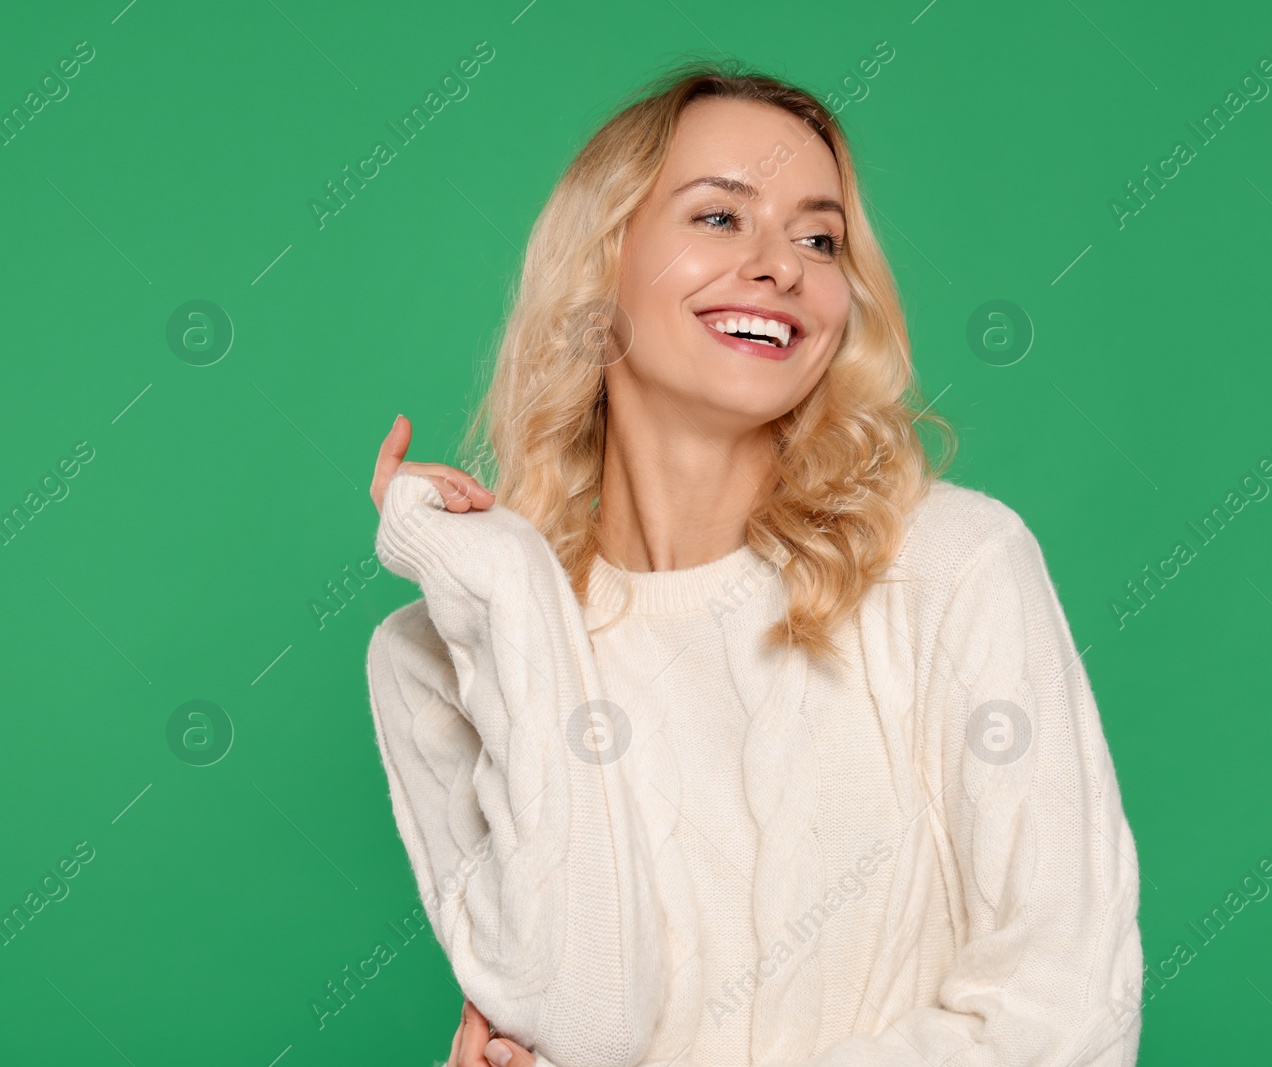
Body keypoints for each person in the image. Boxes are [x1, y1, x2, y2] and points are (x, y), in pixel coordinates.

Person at [365, 59, 1143, 1067]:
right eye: (720, 218)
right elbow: (587, 1020)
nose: (781, 265)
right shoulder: (441, 655)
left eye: (818, 237)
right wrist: (508, 583)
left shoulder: (953, 566)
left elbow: (1064, 1022)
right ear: (602, 269)